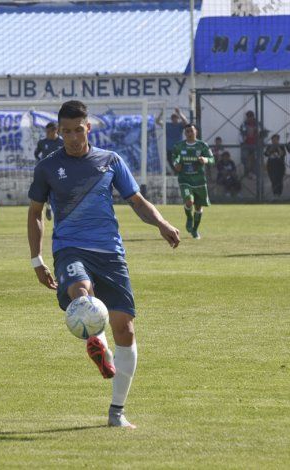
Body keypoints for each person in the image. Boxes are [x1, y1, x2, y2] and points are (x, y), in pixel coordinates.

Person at [27, 100, 180, 429]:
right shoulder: (48, 167)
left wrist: (163, 224)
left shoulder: (110, 161)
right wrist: (37, 260)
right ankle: (95, 340)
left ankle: (117, 411)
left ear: (88, 128)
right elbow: (35, 213)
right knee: (83, 294)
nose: (70, 137)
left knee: (125, 329)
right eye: (65, 131)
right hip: (70, 248)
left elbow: (136, 201)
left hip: (110, 252)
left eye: (77, 130)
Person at [171, 124, 215, 239]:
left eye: (191, 131)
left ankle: (195, 230)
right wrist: (176, 165)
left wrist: (205, 159)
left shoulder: (202, 146)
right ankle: (189, 218)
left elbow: (212, 159)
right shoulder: (179, 146)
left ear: (196, 132)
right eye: (187, 132)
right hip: (185, 179)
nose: (189, 133)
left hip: (199, 180)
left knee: (199, 207)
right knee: (189, 201)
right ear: (185, 134)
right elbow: (175, 158)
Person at [34, 122, 64, 220]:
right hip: (46, 171)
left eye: (48, 131)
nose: (46, 133)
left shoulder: (62, 142)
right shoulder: (42, 142)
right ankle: (49, 206)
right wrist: (40, 162)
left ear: (55, 130)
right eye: (46, 131)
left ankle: (58, 209)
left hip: (60, 170)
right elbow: (36, 153)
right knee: (46, 190)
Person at [157, 108, 188, 172]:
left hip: (178, 149)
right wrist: (161, 113)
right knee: (171, 162)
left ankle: (179, 172)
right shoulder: (168, 125)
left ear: (178, 118)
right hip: (169, 149)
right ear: (171, 119)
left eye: (176, 118)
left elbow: (185, 121)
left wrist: (179, 113)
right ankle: (176, 173)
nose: (174, 119)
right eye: (173, 118)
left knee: (178, 162)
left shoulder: (180, 125)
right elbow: (157, 121)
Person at [264, 134, 286, 200]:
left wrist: (278, 147)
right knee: (273, 180)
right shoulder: (269, 146)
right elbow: (266, 154)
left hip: (280, 166)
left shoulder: (281, 146)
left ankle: (279, 194)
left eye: (275, 140)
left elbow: (282, 154)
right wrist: (272, 148)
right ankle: (275, 194)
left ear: (278, 140)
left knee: (279, 180)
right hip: (271, 166)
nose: (274, 141)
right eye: (273, 140)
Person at [240, 110, 259, 179]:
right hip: (246, 144)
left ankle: (254, 173)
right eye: (248, 117)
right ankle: (247, 172)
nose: (249, 118)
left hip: (255, 144)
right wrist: (242, 142)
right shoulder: (243, 124)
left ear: (253, 117)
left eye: (251, 117)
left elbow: (263, 133)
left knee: (256, 159)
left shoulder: (258, 124)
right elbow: (241, 134)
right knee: (244, 158)